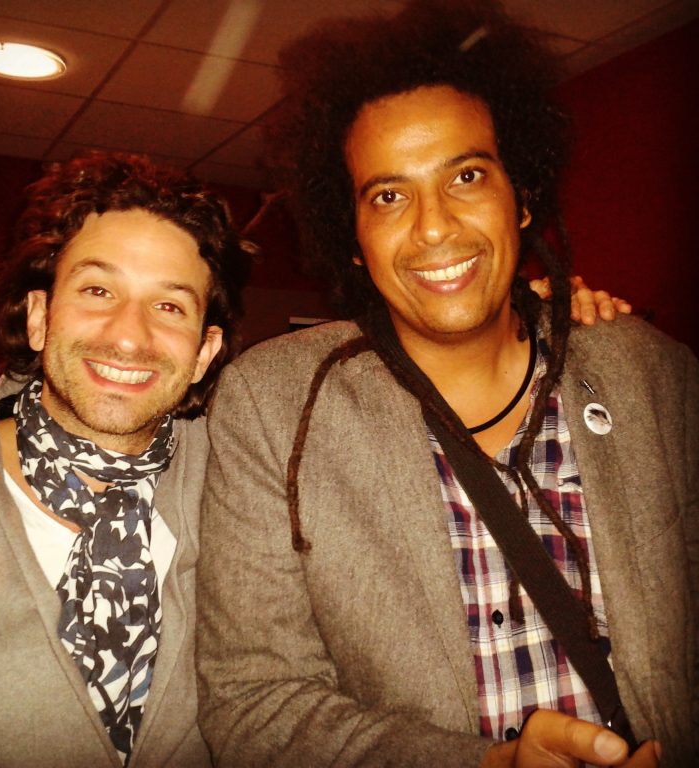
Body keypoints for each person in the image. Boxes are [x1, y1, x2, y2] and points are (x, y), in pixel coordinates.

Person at [195, 2, 698, 766]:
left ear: (520, 198)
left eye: (465, 175)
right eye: (388, 195)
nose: (433, 226)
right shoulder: (273, 406)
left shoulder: (652, 375)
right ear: (353, 239)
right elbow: (250, 701)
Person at [0, 152, 251, 767]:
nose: (128, 335)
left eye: (169, 306)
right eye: (98, 290)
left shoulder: (243, 487)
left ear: (204, 352)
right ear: (39, 317)